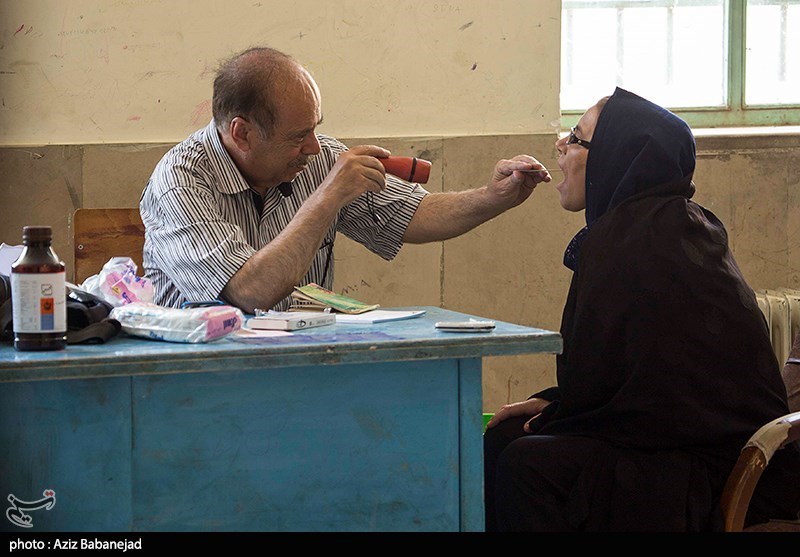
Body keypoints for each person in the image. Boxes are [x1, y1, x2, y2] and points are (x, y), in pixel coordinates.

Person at [483, 87, 800, 532]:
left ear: (616, 155)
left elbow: (640, 394)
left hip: (706, 469)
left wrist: (559, 410)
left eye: (575, 137)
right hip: (680, 444)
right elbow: (642, 375)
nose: (560, 145)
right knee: (506, 436)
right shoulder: (678, 221)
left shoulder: (628, 242)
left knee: (524, 462)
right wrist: (554, 402)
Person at [139, 46, 550, 312]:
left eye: (315, 128)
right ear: (242, 133)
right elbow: (251, 291)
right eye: (298, 137)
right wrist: (326, 198)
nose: (315, 148)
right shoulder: (180, 181)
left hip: (303, 364)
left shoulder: (321, 158)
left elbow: (414, 214)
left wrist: (495, 196)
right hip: (203, 381)